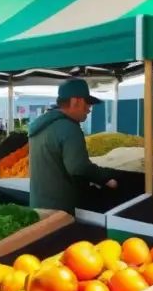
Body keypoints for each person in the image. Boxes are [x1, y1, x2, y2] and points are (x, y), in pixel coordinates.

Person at [28, 79, 117, 213]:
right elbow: (78, 167)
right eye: (87, 104)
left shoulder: (41, 126)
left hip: (38, 204)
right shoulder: (69, 128)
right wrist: (105, 177)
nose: (88, 109)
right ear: (76, 101)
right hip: (59, 209)